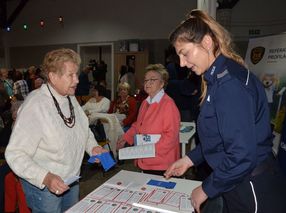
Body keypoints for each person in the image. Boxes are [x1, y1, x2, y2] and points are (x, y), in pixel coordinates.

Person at [164, 10, 286, 213]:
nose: (182, 63)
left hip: (253, 189)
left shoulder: (229, 84)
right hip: (238, 182)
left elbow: (241, 155)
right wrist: (190, 159)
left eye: (185, 53)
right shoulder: (219, 77)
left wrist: (206, 188)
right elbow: (220, 138)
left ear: (206, 42)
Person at [5, 48, 107, 213]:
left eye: (76, 74)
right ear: (53, 76)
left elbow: (83, 130)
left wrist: (92, 147)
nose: (77, 80)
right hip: (44, 188)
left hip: (71, 180)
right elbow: (15, 154)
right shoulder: (35, 105)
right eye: (70, 75)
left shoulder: (70, 97)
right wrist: (45, 177)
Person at [117, 64, 180, 175]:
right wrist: (126, 138)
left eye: (152, 79)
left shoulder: (168, 104)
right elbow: (138, 125)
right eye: (146, 80)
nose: (147, 83)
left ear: (162, 83)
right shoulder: (145, 102)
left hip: (162, 163)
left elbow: (170, 137)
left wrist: (149, 150)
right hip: (146, 159)